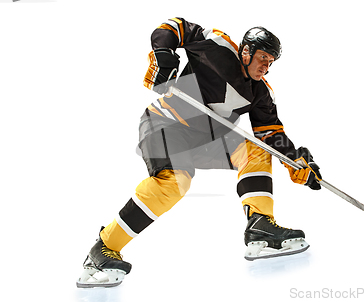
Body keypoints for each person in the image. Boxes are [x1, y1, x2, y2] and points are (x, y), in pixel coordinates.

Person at [76, 17, 322, 288]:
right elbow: (174, 26)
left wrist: (294, 161)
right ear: (246, 51)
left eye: (271, 61)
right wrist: (163, 54)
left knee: (256, 152)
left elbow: (270, 135)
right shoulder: (217, 47)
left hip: (205, 142)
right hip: (166, 124)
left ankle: (260, 225)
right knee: (176, 183)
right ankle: (103, 248)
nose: (266, 66)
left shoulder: (260, 93)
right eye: (263, 57)